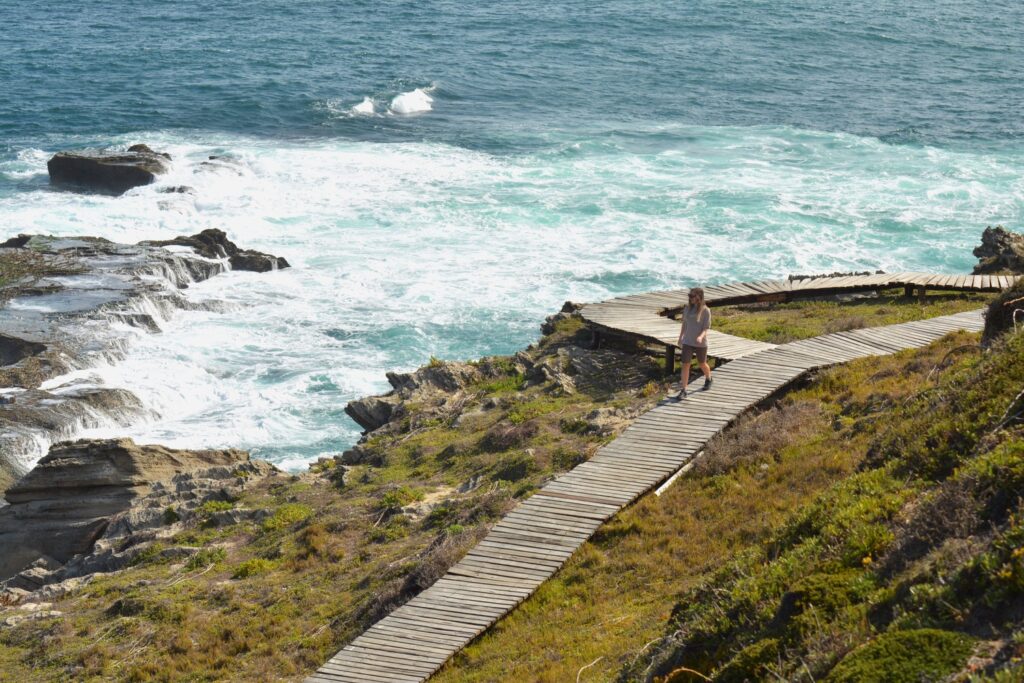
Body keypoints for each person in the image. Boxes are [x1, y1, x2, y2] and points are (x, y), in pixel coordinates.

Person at [675, 287, 712, 399]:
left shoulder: (706, 310)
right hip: (688, 341)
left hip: (701, 342)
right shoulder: (687, 309)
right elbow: (684, 324)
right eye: (689, 296)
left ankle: (709, 378)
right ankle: (684, 390)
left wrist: (700, 337)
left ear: (699, 297)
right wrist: (680, 337)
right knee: (685, 364)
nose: (690, 298)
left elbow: (706, 328)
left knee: (702, 363)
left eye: (692, 296)